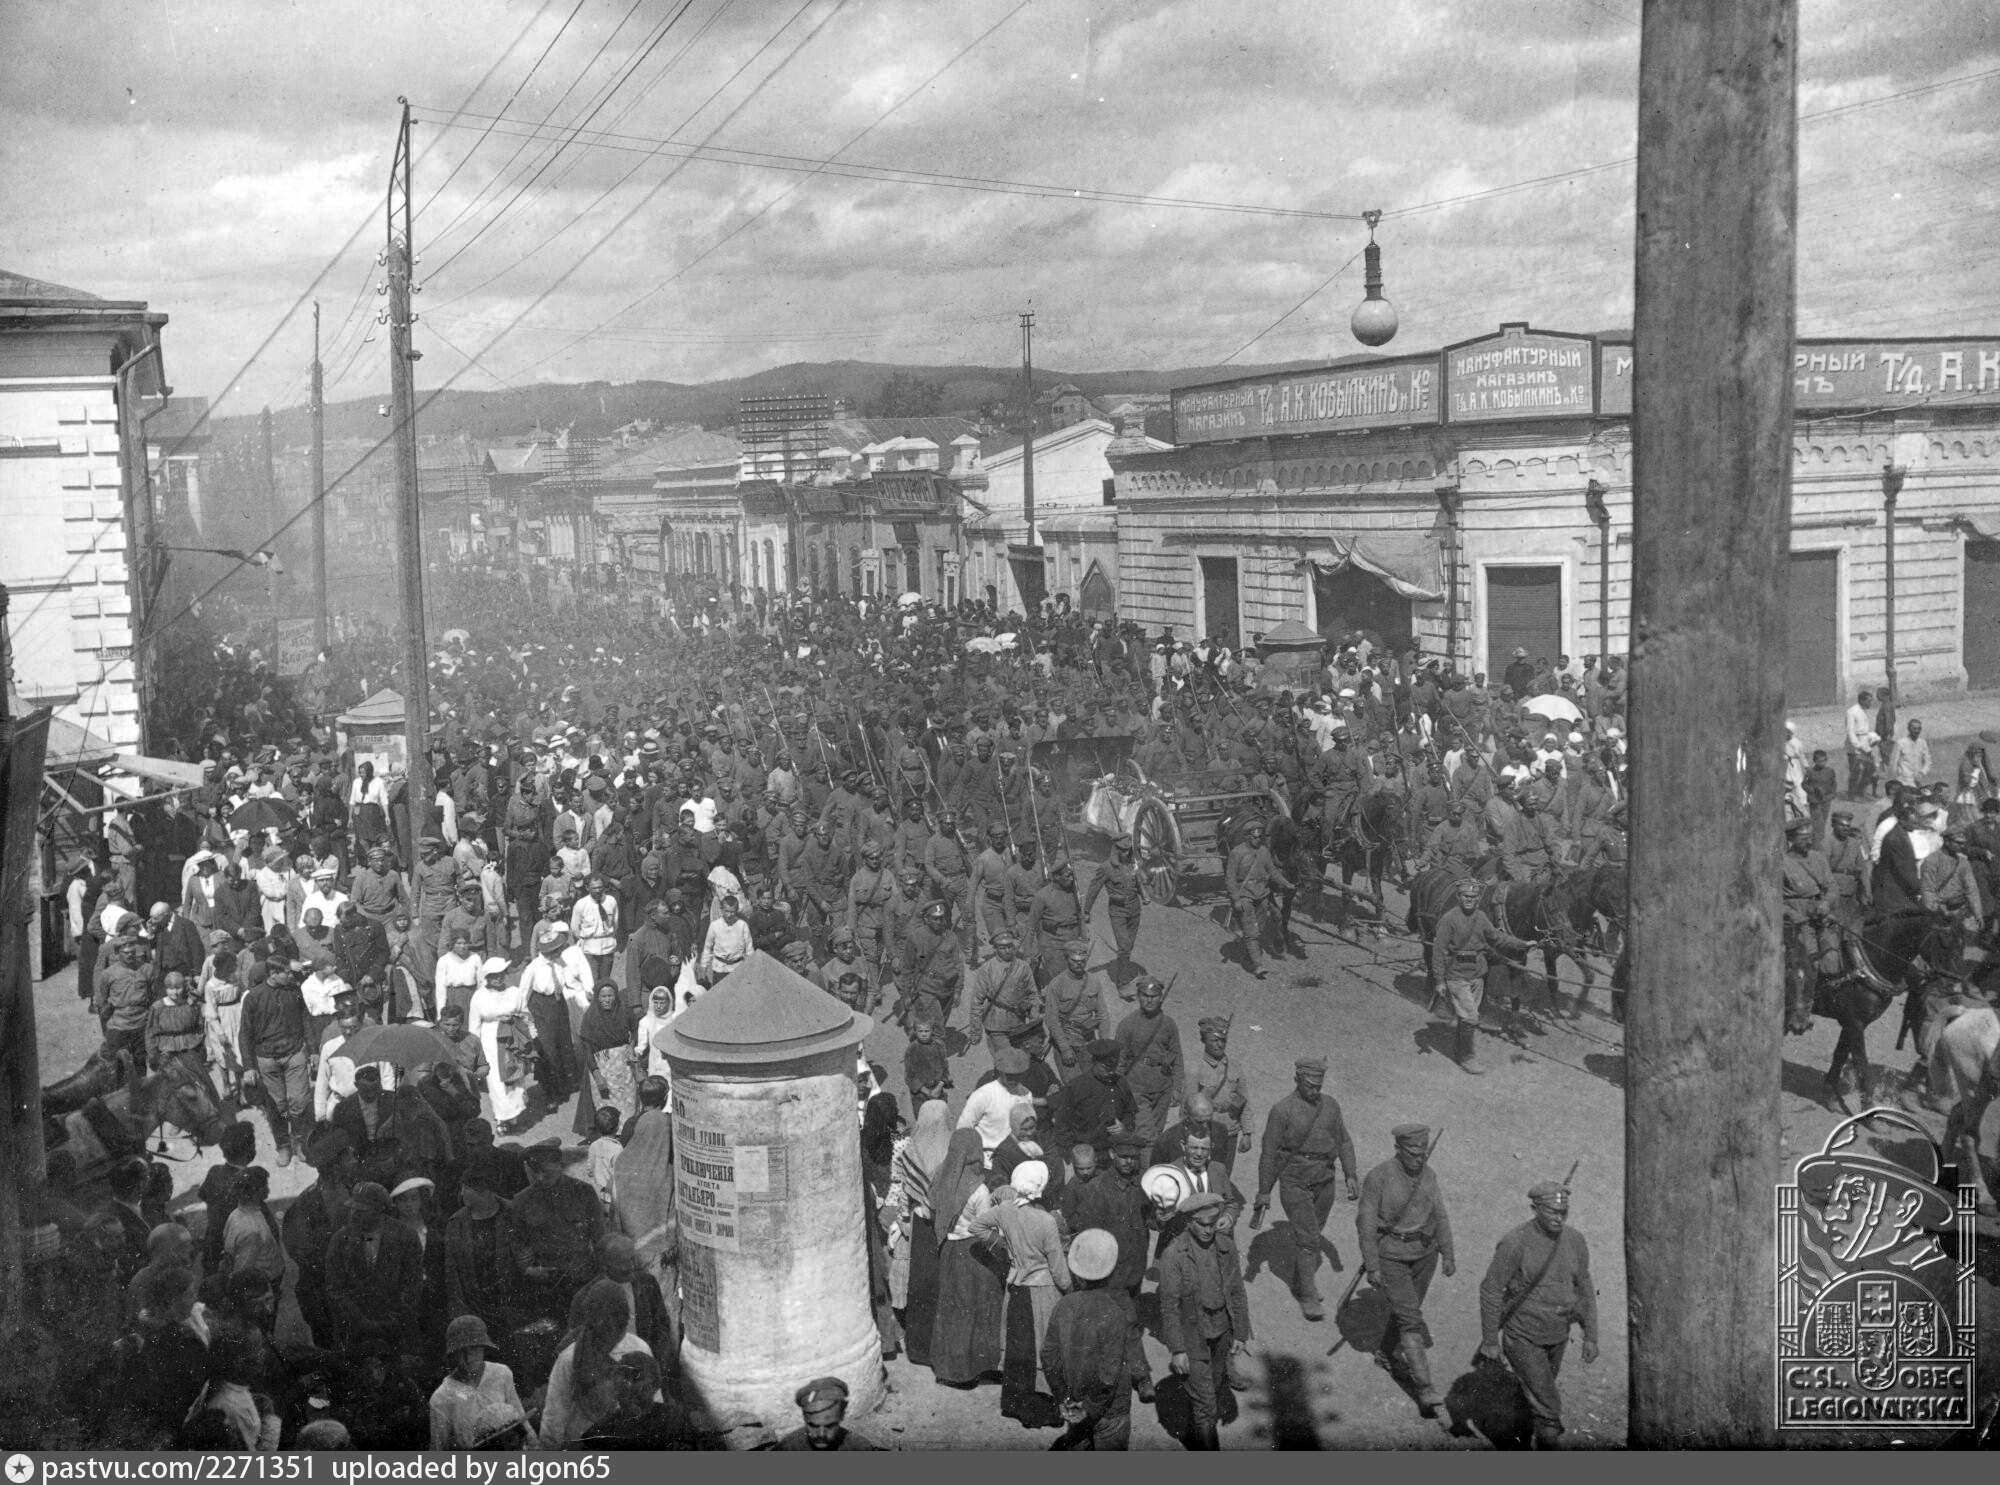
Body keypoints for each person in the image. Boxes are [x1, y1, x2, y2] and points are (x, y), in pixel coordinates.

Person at [1478, 1180, 1600, 1451]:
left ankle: (1519, 1437)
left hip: (1558, 1333)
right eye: (1552, 1211)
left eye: (1563, 1212)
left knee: (1538, 1391)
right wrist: (1490, 1340)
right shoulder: (1515, 1242)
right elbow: (1491, 1289)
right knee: (1548, 1407)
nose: (1559, 1218)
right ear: (1535, 1209)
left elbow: (1584, 1287)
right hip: (1524, 1335)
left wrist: (1591, 1335)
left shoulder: (1575, 1240)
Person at [1355, 1124, 1454, 1417]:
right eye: (1413, 1153)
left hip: (1425, 1253)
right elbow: (1366, 1223)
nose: (1419, 1159)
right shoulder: (1378, 1177)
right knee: (1410, 1318)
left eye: (1423, 1153)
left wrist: (1447, 1252)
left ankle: (1386, 1353)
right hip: (1392, 1256)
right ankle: (1425, 1389)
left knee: (1407, 1310)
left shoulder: (1429, 1175)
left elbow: (1440, 1214)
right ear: (1398, 1149)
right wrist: (1372, 1264)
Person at [1251, 1056, 1358, 1322]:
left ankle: (1302, 1280)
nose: (1315, 1090)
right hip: (1295, 1181)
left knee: (1314, 1234)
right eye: (1310, 1085)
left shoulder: (1331, 1106)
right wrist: (1264, 1191)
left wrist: (1351, 1174)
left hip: (1325, 1179)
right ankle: (1308, 1295)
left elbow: (1344, 1141)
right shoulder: (1282, 1110)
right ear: (1297, 1079)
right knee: (1309, 1238)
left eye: (1319, 1085)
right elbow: (1269, 1153)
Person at [968, 1159, 1072, 1428]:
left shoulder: (1005, 1211)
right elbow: (1058, 1269)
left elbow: (975, 1226)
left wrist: (1004, 1247)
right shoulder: (1046, 1221)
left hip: (1015, 1290)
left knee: (1017, 1350)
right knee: (1042, 1351)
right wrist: (1069, 1290)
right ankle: (1042, 1409)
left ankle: (1014, 1405)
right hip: (1043, 1293)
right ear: (1041, 1187)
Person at [1061, 1130, 1155, 1403]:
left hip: (1135, 1267)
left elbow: (1150, 1220)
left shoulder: (1143, 1184)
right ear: (1112, 1154)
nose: (1129, 1162)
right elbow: (1089, 1234)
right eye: (1123, 1157)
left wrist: (1160, 1214)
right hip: (1111, 1272)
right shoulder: (1097, 1189)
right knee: (1128, 1320)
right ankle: (1141, 1376)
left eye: (1133, 1157)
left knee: (1123, 1320)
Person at [1157, 1192, 1250, 1450]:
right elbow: (1169, 1307)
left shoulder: (1226, 1247)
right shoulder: (1174, 1255)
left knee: (1215, 1385)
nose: (1208, 1230)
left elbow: (1237, 1291)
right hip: (1192, 1335)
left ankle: (1194, 1425)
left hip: (1221, 1330)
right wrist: (1177, 1350)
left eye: (1212, 1223)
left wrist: (1240, 1333)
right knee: (1207, 1403)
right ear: (1189, 1222)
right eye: (1202, 1224)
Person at [928, 1127, 1006, 1386]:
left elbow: (932, 1209)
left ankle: (948, 1368)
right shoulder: (978, 1189)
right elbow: (985, 1225)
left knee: (952, 1309)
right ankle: (974, 1368)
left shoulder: (941, 1176)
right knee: (980, 1307)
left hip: (949, 1250)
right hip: (973, 1253)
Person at [1430, 878, 1533, 1074]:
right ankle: (1467, 1058)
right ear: (1459, 897)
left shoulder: (1481, 917)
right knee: (1471, 1016)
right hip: (1457, 974)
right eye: (1466, 896)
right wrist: (1439, 980)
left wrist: (1522, 944)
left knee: (1467, 1016)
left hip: (1478, 973)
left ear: (1478, 899)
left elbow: (1497, 937)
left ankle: (1459, 1049)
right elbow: (1438, 951)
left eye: (1473, 897)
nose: (1469, 900)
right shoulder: (1449, 919)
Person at [1040, 1228, 1130, 1451]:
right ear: (1111, 1271)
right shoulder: (1115, 1312)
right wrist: (1089, 1407)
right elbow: (1108, 1375)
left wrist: (1063, 1397)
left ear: (1077, 1274)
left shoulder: (1064, 1305)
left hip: (1074, 1399)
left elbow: (1049, 1357)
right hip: (1109, 1409)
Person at [540, 1278, 651, 1449]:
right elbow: (554, 1417)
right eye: (604, 1321)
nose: (610, 1327)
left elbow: (654, 1405)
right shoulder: (570, 1358)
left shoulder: (640, 1349)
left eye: (615, 1320)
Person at [323, 1181, 422, 1358]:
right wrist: (361, 1321)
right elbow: (335, 1289)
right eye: (353, 1208)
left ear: (380, 1209)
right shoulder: (340, 1240)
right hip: (354, 1332)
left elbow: (412, 1285)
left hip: (397, 1331)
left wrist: (390, 1320)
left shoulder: (406, 1236)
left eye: (362, 1210)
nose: (354, 1214)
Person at [892, 1097, 951, 1371]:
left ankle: (918, 1348)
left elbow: (905, 1193)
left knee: (921, 1285)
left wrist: (905, 1220)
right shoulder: (952, 1151)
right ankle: (941, 1348)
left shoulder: (910, 1150)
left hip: (920, 1226)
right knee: (942, 1285)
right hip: (947, 1226)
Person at [428, 1313, 535, 1450]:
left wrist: (534, 1446)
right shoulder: (441, 1399)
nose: (468, 1357)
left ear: (483, 1347)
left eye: (474, 1348)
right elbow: (437, 1450)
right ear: (453, 1354)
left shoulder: (501, 1374)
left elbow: (520, 1418)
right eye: (461, 1351)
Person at [1113, 976, 1183, 1143]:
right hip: (1136, 1088)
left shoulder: (1169, 1024)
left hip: (1163, 1087)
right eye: (1145, 995)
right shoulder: (1127, 1025)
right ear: (1138, 996)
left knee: (1157, 1133)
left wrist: (1176, 1088)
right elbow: (1119, 1062)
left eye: (1154, 996)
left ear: (1160, 997)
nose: (1149, 1000)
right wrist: (1119, 1091)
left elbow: (1177, 1056)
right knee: (1146, 1135)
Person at [1187, 1013, 1253, 1177]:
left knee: (1224, 1175)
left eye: (1223, 1040)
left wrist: (1247, 1133)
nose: (1219, 1044)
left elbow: (1244, 1100)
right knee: (1202, 1174)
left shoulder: (1235, 1067)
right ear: (1204, 1040)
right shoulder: (1196, 1068)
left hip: (1230, 1131)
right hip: (1204, 1132)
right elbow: (1186, 1107)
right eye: (1214, 1040)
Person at [1224, 820, 1292, 978]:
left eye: (1259, 837)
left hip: (1262, 894)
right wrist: (1236, 899)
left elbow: (1272, 871)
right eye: (1254, 837)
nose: (1257, 839)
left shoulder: (1264, 851)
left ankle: (1249, 956)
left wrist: (1286, 883)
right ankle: (1258, 965)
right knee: (1251, 931)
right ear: (1247, 837)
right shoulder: (1237, 853)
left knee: (1259, 929)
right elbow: (1230, 878)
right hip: (1245, 895)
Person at [574, 980, 638, 1139]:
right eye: (603, 996)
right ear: (597, 997)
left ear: (616, 995)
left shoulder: (624, 1011)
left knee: (628, 1103)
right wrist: (596, 1074)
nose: (607, 1000)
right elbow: (586, 1049)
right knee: (607, 1106)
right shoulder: (590, 1017)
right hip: (603, 1068)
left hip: (624, 1068)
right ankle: (611, 1137)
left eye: (610, 995)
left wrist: (632, 1044)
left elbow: (635, 1028)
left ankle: (626, 1135)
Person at [1080, 833, 1144, 988]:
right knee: (1124, 946)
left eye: (1128, 850)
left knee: (1128, 946)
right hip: (1118, 912)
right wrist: (1086, 910)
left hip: (1135, 910)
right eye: (1122, 850)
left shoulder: (1132, 864)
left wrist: (1144, 895)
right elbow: (1094, 888)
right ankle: (1122, 983)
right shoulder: (1106, 867)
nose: (1125, 853)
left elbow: (1138, 882)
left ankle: (1124, 969)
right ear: (1115, 849)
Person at [768, 1375, 881, 1450]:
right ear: (804, 1418)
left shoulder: (859, 1447)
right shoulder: (788, 1449)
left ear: (841, 1416)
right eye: (813, 1425)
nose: (821, 1434)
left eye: (829, 1425)